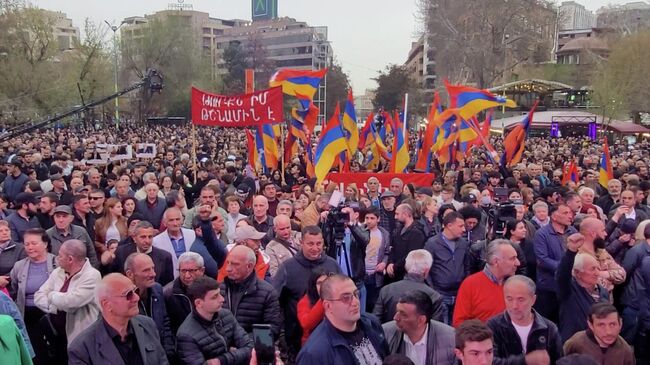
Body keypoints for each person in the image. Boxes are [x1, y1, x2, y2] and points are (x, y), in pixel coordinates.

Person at [67, 273, 169, 365]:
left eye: (136, 291)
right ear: (107, 305)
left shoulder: (147, 325)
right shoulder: (82, 348)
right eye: (129, 294)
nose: (137, 298)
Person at [272, 225, 340, 361]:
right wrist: (280, 335)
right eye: (310, 244)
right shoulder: (287, 267)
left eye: (319, 243)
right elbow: (274, 301)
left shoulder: (332, 265)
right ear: (301, 242)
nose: (315, 248)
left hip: (331, 336)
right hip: (296, 339)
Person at [296, 274, 389, 364]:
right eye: (346, 298)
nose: (355, 302)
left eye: (356, 294)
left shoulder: (372, 323)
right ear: (327, 306)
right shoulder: (315, 352)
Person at [34, 239, 101, 359]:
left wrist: (51, 295)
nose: (57, 258)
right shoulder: (57, 272)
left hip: (80, 337)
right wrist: (55, 306)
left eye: (60, 255)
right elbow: (38, 296)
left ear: (70, 259)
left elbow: (72, 302)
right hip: (55, 335)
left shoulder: (92, 275)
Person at [176, 276, 253, 365]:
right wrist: (236, 353)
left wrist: (221, 360)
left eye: (220, 294)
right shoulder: (186, 335)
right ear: (199, 303)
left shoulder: (226, 315)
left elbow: (250, 347)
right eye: (215, 297)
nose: (222, 299)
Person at [487, 275, 563, 365]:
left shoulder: (549, 329)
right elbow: (489, 362)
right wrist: (525, 361)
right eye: (509, 299)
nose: (514, 306)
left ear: (533, 300)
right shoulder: (493, 326)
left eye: (521, 299)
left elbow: (560, 362)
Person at [9, 228, 56, 364]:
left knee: (55, 350)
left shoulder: (57, 263)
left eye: (34, 243)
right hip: (28, 315)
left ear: (45, 244)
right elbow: (14, 289)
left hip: (51, 314)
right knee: (37, 353)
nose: (29, 247)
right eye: (27, 244)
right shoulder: (19, 266)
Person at [453, 239, 520, 327]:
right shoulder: (470, 285)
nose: (518, 263)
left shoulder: (516, 285)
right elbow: (459, 324)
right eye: (512, 259)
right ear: (496, 262)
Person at [557, 233, 610, 342]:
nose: (597, 273)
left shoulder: (603, 292)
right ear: (577, 272)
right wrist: (571, 251)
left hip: (598, 344)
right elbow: (562, 274)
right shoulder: (569, 290)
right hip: (574, 346)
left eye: (597, 268)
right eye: (592, 269)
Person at [220, 245, 281, 339]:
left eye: (235, 264)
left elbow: (272, 331)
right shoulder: (219, 290)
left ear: (249, 266)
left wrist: (241, 345)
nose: (228, 268)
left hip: (251, 350)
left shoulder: (267, 293)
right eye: (228, 263)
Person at [382, 291, 456, 365]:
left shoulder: (451, 339)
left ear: (421, 320)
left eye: (403, 314)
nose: (395, 318)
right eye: (397, 312)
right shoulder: (385, 333)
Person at [124, 253, 175, 359]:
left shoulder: (157, 289)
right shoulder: (122, 299)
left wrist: (168, 353)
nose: (153, 274)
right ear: (130, 274)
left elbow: (165, 322)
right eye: (146, 270)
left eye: (153, 268)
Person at [424, 211, 471, 325]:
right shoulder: (432, 244)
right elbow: (426, 269)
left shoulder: (464, 244)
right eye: (460, 226)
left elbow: (467, 267)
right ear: (449, 225)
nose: (464, 229)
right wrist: (433, 290)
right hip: (441, 294)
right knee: (443, 329)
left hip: (459, 294)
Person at [533, 204, 577, 323]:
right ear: (554, 216)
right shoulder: (542, 234)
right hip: (549, 287)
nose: (570, 216)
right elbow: (542, 259)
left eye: (570, 213)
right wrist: (565, 268)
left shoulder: (572, 231)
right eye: (565, 213)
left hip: (569, 285)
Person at [374, 249, 443, 323]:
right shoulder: (434, 296)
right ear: (426, 271)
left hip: (388, 333)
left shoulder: (387, 290)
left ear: (406, 267)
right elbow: (434, 328)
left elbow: (375, 321)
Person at [563, 302, 634, 365]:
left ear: (620, 323)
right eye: (601, 325)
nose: (608, 332)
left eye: (612, 324)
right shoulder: (575, 344)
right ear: (590, 325)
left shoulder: (625, 351)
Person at [163, 252, 205, 333]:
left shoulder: (211, 288)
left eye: (191, 271)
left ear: (202, 270)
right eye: (183, 271)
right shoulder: (168, 294)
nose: (187, 276)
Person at [153, 207, 197, 278]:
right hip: (170, 280)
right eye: (171, 220)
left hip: (192, 278)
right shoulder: (156, 241)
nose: (175, 223)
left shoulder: (192, 235)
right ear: (164, 223)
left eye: (177, 219)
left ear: (182, 220)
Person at [387, 203, 426, 282]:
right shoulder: (399, 230)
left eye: (397, 214)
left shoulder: (417, 233)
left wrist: (394, 267)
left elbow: (411, 255)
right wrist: (390, 263)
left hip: (407, 276)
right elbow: (392, 248)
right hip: (395, 274)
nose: (395, 217)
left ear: (405, 214)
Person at [363, 206, 391, 313]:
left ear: (378, 219)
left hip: (376, 275)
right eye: (367, 218)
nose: (369, 221)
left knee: (373, 304)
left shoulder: (384, 234)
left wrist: (384, 263)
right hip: (363, 273)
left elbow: (387, 252)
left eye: (372, 218)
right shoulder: (361, 231)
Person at [296, 267, 329, 345]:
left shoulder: (335, 298)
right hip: (311, 343)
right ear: (313, 285)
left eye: (326, 282)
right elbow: (306, 324)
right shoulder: (305, 301)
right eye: (319, 283)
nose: (323, 286)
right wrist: (322, 299)